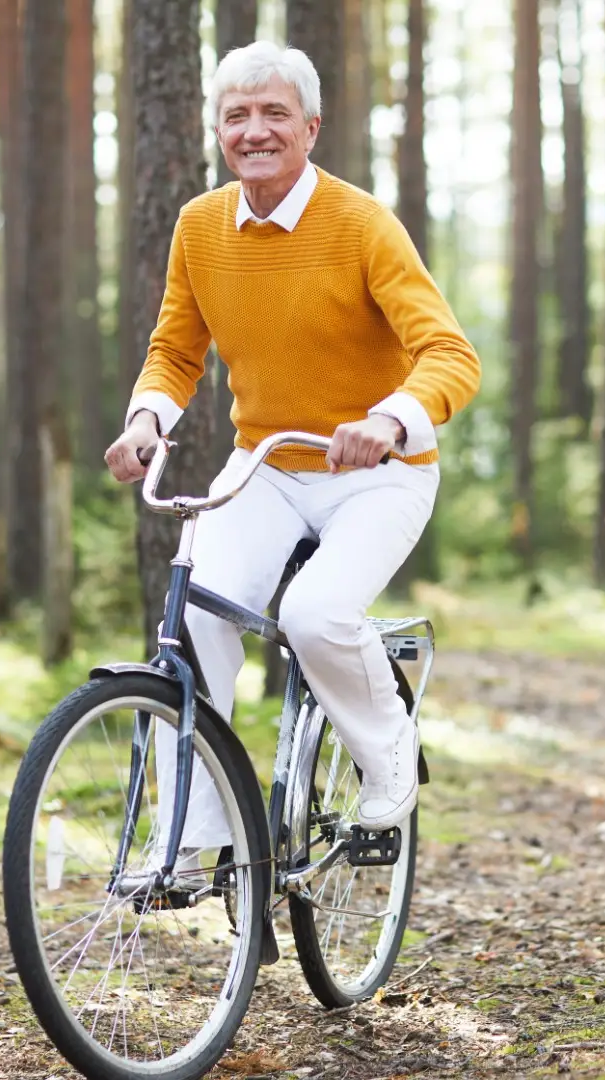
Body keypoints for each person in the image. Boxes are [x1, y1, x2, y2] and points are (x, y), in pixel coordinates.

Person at [103, 41, 480, 858]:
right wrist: (146, 420)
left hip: (379, 475)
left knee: (314, 616)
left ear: (310, 128)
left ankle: (389, 763)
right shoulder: (201, 225)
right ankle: (203, 834)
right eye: (236, 116)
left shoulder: (360, 223)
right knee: (193, 610)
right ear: (217, 130)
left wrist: (388, 420)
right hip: (267, 465)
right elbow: (176, 349)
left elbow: (451, 354)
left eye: (274, 113)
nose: (254, 131)